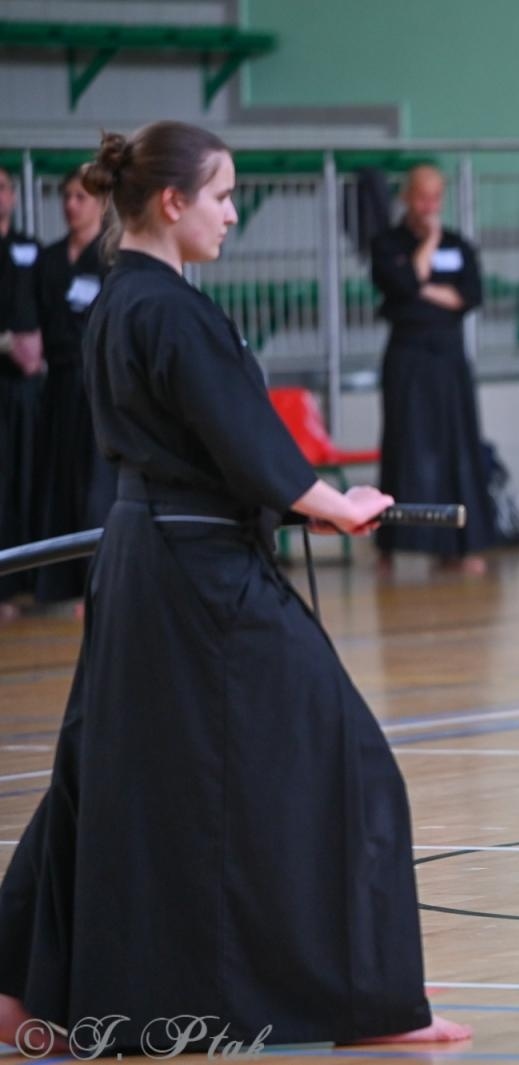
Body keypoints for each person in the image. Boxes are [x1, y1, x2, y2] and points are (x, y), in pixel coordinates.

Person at [0, 122, 470, 1052]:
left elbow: (207, 446)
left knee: (106, 768)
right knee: (345, 757)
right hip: (198, 575)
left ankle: (17, 989)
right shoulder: (166, 308)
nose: (232, 211)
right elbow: (244, 441)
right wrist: (334, 502)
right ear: (171, 202)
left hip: (149, 558)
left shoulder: (124, 299)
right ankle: (365, 999)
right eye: (220, 195)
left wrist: (316, 500)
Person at [369, 164, 493, 575]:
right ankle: (392, 543)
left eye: (436, 198)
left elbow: (470, 295)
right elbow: (402, 285)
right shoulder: (388, 243)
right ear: (407, 197)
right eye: (422, 197)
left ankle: (460, 546)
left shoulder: (460, 244)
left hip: (449, 357)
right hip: (407, 356)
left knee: (458, 444)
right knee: (406, 443)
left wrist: (421, 285)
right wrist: (427, 251)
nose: (429, 206)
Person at [30, 165, 114, 607]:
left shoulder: (112, 257)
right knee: (57, 478)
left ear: (101, 204)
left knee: (97, 483)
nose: (71, 204)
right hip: (58, 383)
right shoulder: (49, 258)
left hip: (97, 385)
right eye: (66, 196)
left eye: (80, 196)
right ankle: (57, 582)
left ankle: (98, 578)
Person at [0, 164, 44, 620]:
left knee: (29, 476)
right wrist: (8, 343)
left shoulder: (30, 248)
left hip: (30, 387)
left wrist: (37, 348)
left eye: (2, 188)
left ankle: (29, 582)